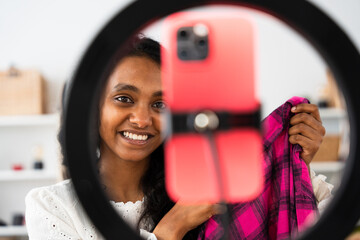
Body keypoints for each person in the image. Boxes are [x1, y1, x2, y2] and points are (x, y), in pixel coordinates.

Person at [25, 35, 332, 240]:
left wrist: (293, 164)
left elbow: (336, 214)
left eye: (160, 104)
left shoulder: (206, 177)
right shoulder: (52, 206)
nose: (143, 119)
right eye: (124, 99)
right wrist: (172, 227)